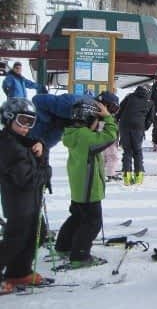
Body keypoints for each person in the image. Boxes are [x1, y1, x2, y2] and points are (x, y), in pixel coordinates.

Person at [54, 100, 117, 269]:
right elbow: (110, 137)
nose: (98, 125)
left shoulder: (74, 133)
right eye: (97, 120)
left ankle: (63, 246)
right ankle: (80, 256)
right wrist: (109, 118)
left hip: (79, 187)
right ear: (89, 119)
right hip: (89, 188)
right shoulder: (84, 136)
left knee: (77, 218)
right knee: (92, 222)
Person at [0, 98, 51, 293]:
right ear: (9, 118)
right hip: (19, 203)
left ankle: (19, 271)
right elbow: (26, 179)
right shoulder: (7, 145)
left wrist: (41, 149)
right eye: (22, 121)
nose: (26, 127)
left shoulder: (19, 141)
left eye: (31, 122)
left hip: (30, 201)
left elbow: (33, 160)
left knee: (36, 234)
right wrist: (45, 169)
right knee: (16, 239)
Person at [116, 85, 154, 185]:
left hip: (124, 125)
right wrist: (143, 127)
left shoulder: (129, 97)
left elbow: (120, 110)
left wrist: (116, 120)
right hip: (138, 127)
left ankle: (127, 178)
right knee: (137, 151)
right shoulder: (149, 102)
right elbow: (150, 119)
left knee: (127, 151)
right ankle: (138, 178)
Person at [96, 91, 121, 182]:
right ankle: (110, 174)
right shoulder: (104, 115)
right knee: (112, 156)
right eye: (114, 107)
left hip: (103, 134)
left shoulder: (98, 111)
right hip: (106, 136)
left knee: (105, 156)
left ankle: (104, 173)